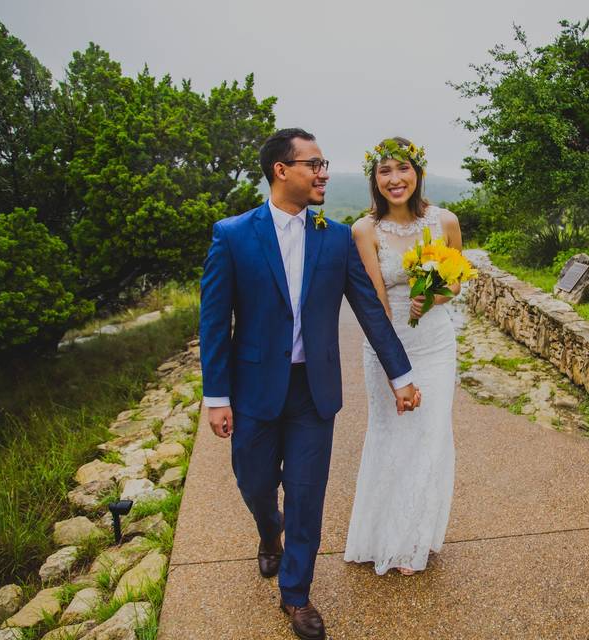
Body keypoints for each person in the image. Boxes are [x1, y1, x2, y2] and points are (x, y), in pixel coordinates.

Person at [199, 128, 421, 640]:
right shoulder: (232, 235)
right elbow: (213, 323)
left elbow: (369, 310)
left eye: (324, 164)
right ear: (282, 170)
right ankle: (267, 529)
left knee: (306, 494)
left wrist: (401, 375)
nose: (324, 172)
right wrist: (217, 397)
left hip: (313, 391)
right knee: (256, 484)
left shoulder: (336, 236)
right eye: (313, 164)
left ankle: (296, 596)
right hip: (252, 389)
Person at [344, 137, 460, 576]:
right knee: (392, 434)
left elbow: (457, 282)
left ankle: (413, 537)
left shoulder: (445, 222)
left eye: (403, 169)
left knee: (431, 435)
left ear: (418, 173)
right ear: (375, 179)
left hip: (435, 344)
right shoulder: (364, 230)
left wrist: (430, 296)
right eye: (385, 171)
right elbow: (376, 303)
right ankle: (382, 537)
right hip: (388, 346)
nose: (395, 179)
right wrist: (396, 370)